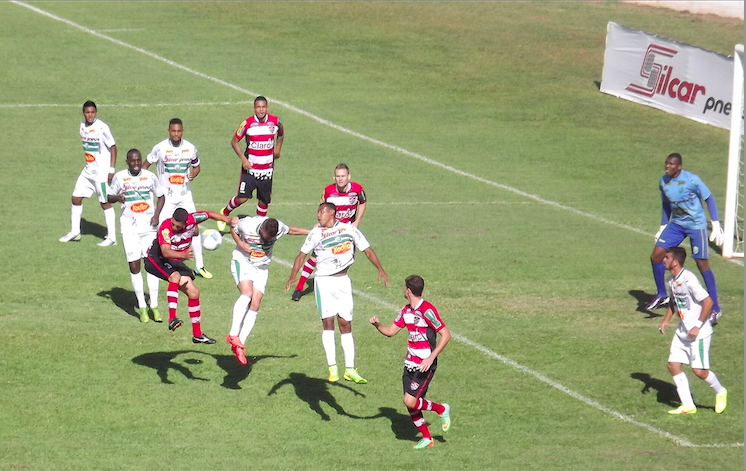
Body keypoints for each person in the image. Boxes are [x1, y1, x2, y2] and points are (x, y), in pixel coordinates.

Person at [286, 202, 389, 384]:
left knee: (346, 324)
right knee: (328, 323)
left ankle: (350, 369)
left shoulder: (349, 230)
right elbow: (302, 255)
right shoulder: (315, 233)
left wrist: (380, 268)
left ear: (332, 212)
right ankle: (332, 368)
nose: (318, 215)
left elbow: (367, 250)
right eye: (318, 212)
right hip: (324, 282)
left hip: (343, 282)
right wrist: (293, 276)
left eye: (321, 212)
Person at [369, 275, 452, 449]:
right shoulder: (406, 311)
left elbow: (446, 334)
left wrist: (431, 358)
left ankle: (441, 409)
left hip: (424, 365)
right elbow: (391, 331)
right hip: (410, 363)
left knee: (409, 400)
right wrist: (378, 325)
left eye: (404, 288)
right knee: (411, 404)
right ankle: (427, 438)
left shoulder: (427, 310)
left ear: (408, 290)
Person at [647, 153, 724, 326]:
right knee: (656, 255)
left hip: (696, 225)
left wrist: (716, 224)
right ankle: (662, 294)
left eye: (671, 164)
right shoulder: (663, 182)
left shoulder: (692, 180)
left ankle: (715, 308)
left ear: (679, 166)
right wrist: (663, 226)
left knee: (702, 264)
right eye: (666, 163)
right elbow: (666, 204)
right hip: (676, 224)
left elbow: (709, 198)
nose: (667, 166)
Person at [226, 215, 310, 365]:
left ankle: (240, 345)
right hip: (243, 261)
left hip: (262, 267)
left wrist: (310, 232)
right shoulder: (248, 224)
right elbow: (233, 227)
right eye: (264, 237)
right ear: (261, 229)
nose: (265, 241)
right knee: (247, 294)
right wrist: (240, 243)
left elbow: (291, 230)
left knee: (256, 303)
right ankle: (233, 334)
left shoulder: (279, 227)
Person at [144, 207, 231, 344]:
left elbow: (210, 214)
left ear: (186, 223)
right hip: (155, 259)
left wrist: (228, 221)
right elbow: (165, 252)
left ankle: (197, 335)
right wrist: (183, 255)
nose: (174, 227)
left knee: (194, 293)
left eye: (178, 226)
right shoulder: (165, 227)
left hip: (173, 260)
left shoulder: (193, 219)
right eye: (173, 224)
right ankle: (172, 318)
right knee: (175, 276)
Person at [658, 247, 727, 415]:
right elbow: (674, 301)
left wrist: (697, 325)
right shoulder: (671, 280)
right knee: (673, 365)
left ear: (675, 262)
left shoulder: (689, 279)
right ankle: (688, 405)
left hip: (699, 333)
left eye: (667, 258)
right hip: (683, 331)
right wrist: (666, 320)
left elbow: (708, 302)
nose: (663, 260)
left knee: (699, 371)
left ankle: (720, 391)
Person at [143, 118, 213, 279]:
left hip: (184, 195)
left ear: (182, 131)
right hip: (166, 197)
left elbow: (197, 166)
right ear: (168, 131)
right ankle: (158, 259)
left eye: (179, 131)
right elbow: (145, 166)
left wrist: (194, 173)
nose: (176, 134)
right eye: (173, 131)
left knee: (194, 229)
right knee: (162, 228)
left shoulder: (190, 148)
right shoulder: (160, 148)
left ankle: (200, 266)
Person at [291, 163, 367, 301]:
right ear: (334, 177)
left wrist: (358, 220)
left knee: (347, 258)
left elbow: (363, 201)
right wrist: (320, 222)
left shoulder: (357, 189)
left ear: (349, 176)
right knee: (315, 256)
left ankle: (336, 283)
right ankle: (299, 287)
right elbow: (322, 208)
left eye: (343, 176)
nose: (340, 179)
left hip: (345, 231)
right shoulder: (328, 191)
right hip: (329, 229)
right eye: (338, 176)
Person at [108, 149, 165, 323]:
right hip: (129, 229)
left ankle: (154, 306)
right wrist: (117, 198)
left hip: (149, 229)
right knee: (134, 266)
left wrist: (156, 216)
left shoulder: (150, 177)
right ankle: (142, 307)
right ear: (127, 162)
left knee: (152, 265)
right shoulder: (120, 177)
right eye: (132, 161)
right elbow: (108, 197)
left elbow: (161, 196)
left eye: (138, 160)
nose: (136, 163)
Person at [216, 96, 284, 231]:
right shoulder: (247, 124)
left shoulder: (275, 122)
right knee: (242, 198)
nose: (261, 110)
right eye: (258, 107)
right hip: (250, 170)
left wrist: (277, 150)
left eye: (263, 107)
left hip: (267, 170)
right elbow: (234, 141)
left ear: (267, 108)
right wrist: (243, 159)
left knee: (263, 201)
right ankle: (225, 212)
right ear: (254, 108)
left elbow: (281, 134)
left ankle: (259, 228)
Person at [59, 100, 118, 246]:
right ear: (83, 113)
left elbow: (113, 147)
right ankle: (75, 232)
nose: (90, 115)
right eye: (87, 112)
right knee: (76, 198)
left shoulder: (102, 127)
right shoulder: (82, 125)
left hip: (101, 173)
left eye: (92, 112)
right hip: (88, 171)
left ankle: (112, 237)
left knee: (104, 202)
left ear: (95, 113)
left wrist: (111, 169)